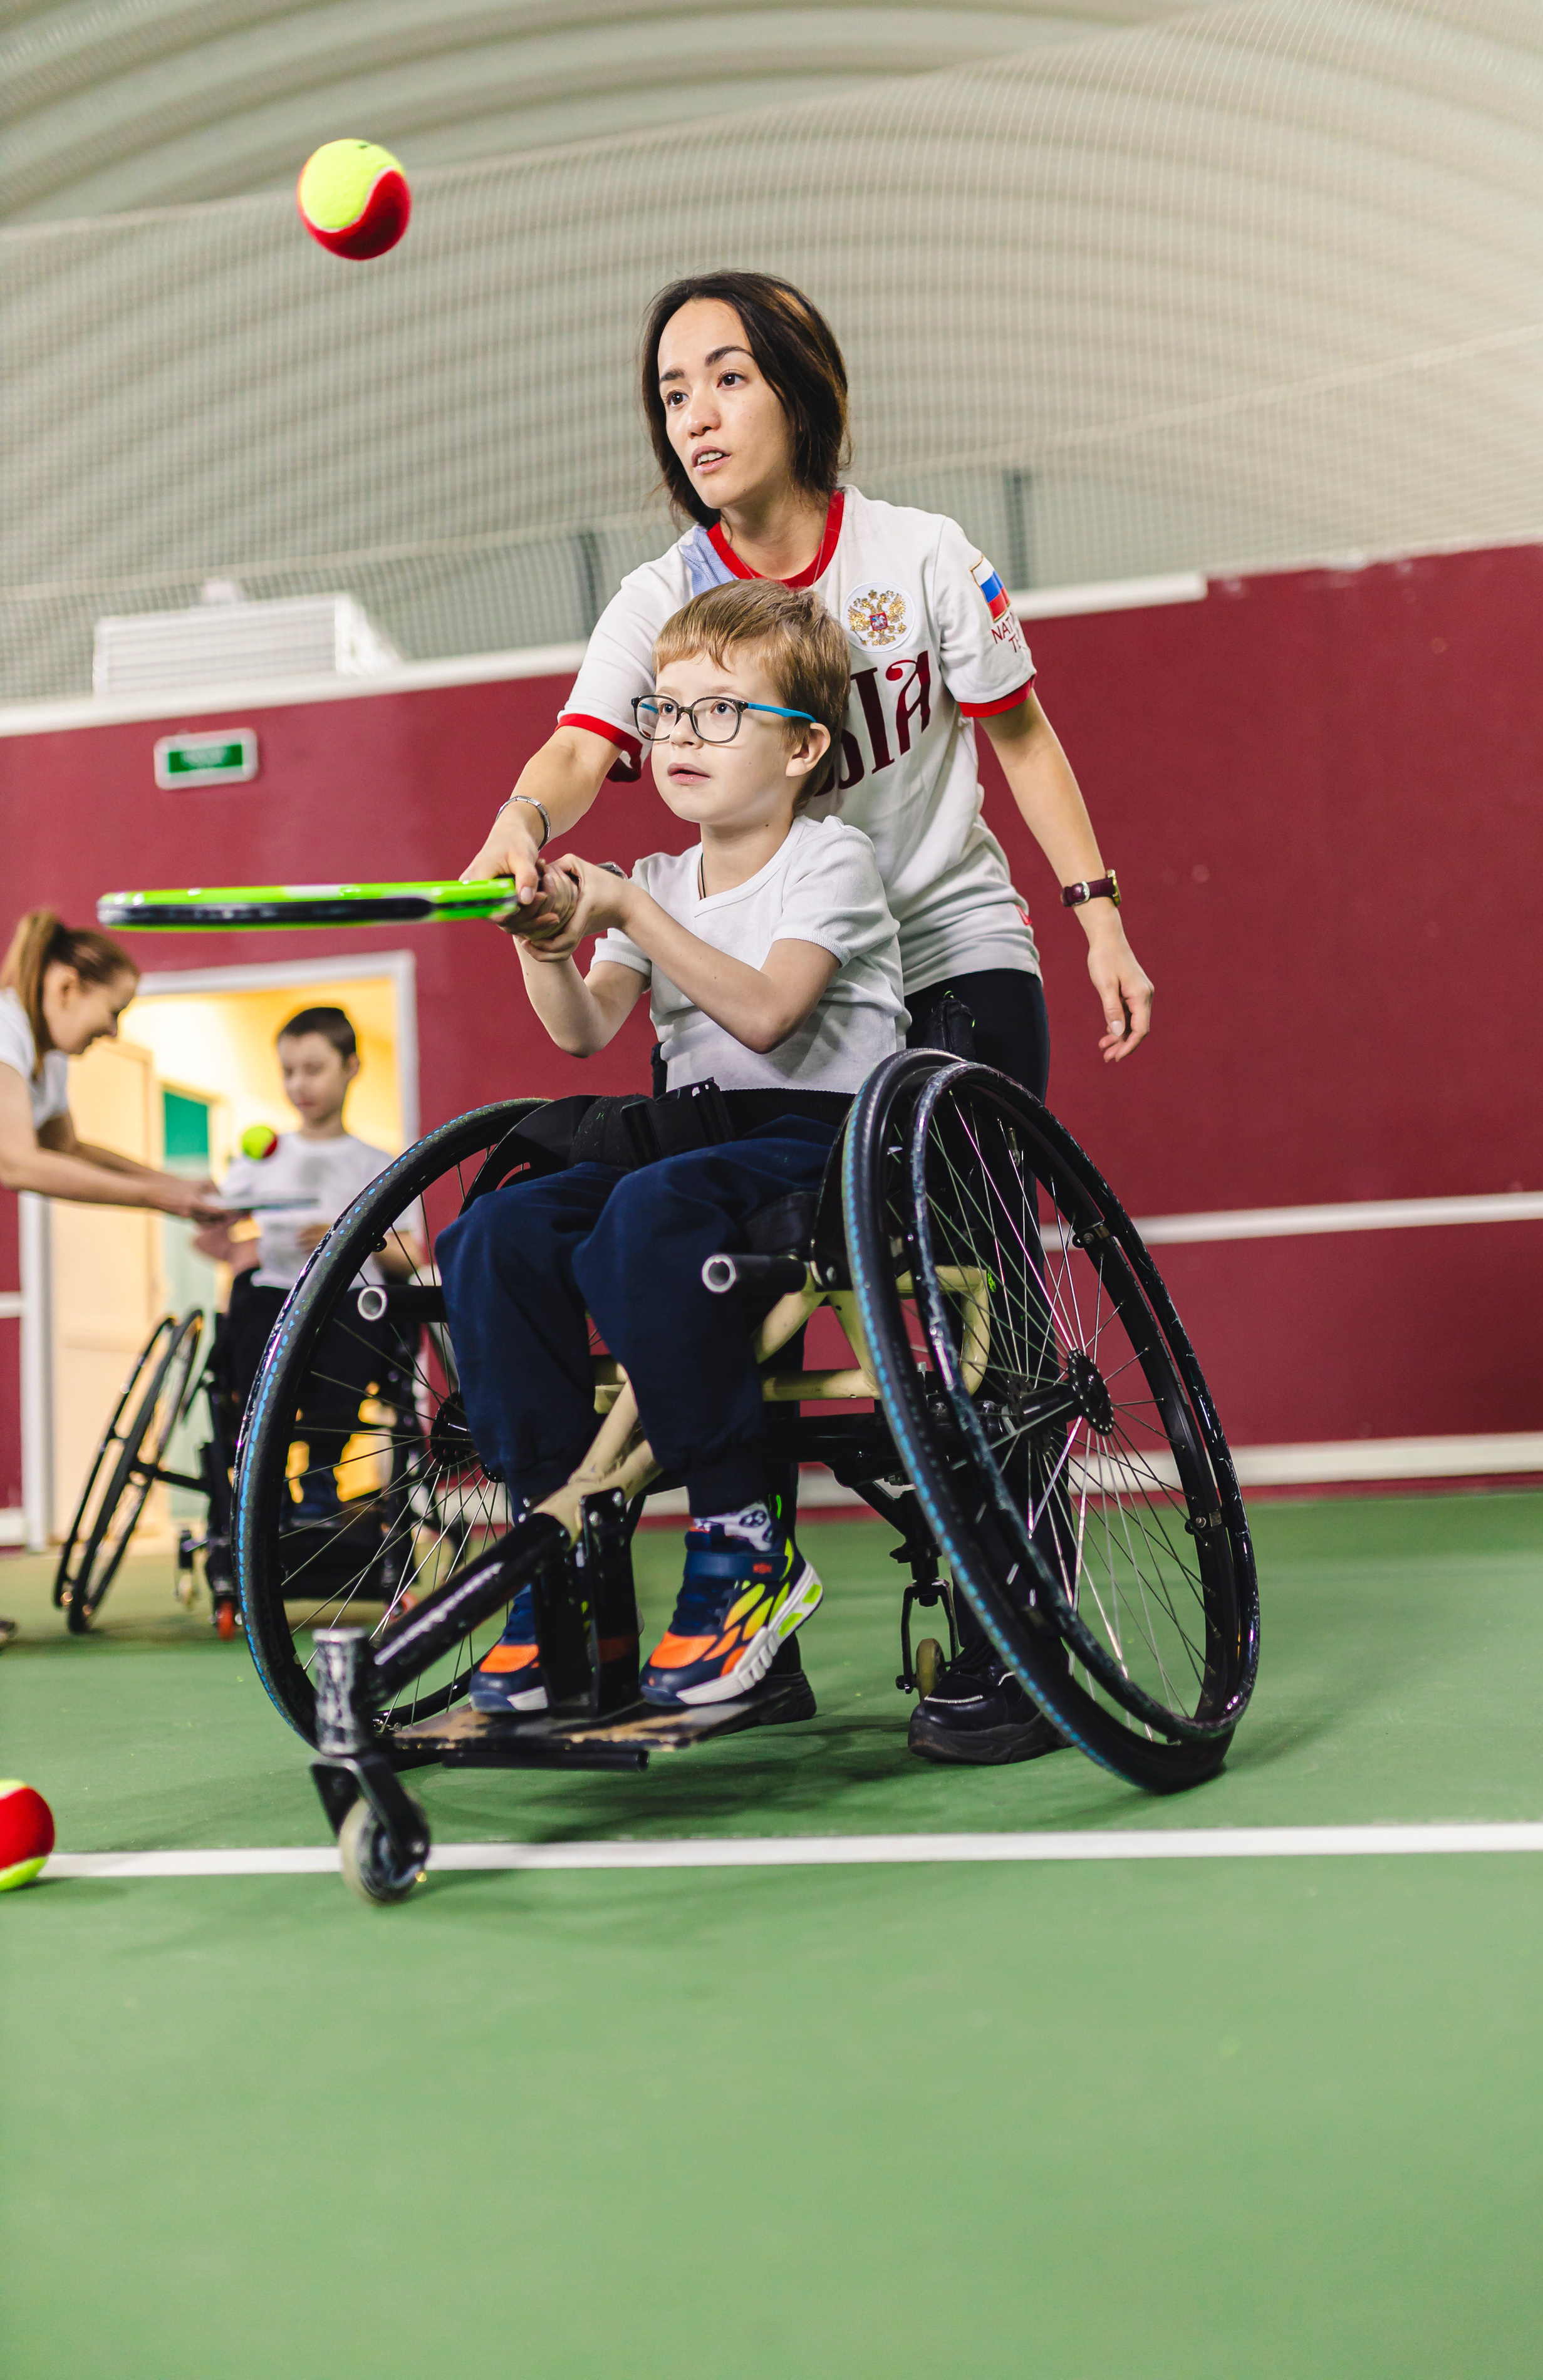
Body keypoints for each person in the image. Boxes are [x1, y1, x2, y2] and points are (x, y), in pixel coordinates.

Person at [461, 269, 1151, 1763]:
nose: (694, 415)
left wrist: (1093, 912)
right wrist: (519, 830)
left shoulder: (919, 557)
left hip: (936, 946)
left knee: (970, 1266)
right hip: (741, 955)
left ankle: (1010, 1613)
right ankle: (728, 1617)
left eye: (723, 378)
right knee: (673, 1236)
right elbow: (576, 753)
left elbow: (1019, 737)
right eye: (668, 393)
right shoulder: (664, 601)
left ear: (796, 388)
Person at [439, 579, 905, 1716]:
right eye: (667, 712)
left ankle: (745, 1542)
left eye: (719, 714)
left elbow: (766, 1015)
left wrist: (635, 921)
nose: (681, 737)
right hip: (690, 1145)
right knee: (494, 1232)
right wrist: (542, 935)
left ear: (803, 751)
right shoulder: (656, 879)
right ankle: (563, 1561)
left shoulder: (825, 863)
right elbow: (585, 1029)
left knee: (651, 1220)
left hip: (821, 1139)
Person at [201, 1007, 404, 1526]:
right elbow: (209, 1237)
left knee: (354, 1321)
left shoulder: (377, 1163)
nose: (298, 1085)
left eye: (313, 1069)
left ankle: (319, 1478)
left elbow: (413, 1255)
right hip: (272, 1294)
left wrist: (350, 1237)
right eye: (288, 1071)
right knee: (252, 1304)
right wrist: (234, 1241)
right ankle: (262, 1478)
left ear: (351, 1066)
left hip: (348, 1300)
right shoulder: (264, 1156)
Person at [0, 910, 223, 1225]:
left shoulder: (50, 1058)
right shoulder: (5, 1029)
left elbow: (68, 1149)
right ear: (67, 988)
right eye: (113, 1012)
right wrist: (159, 1197)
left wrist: (173, 1185)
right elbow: (16, 1164)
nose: (114, 1033)